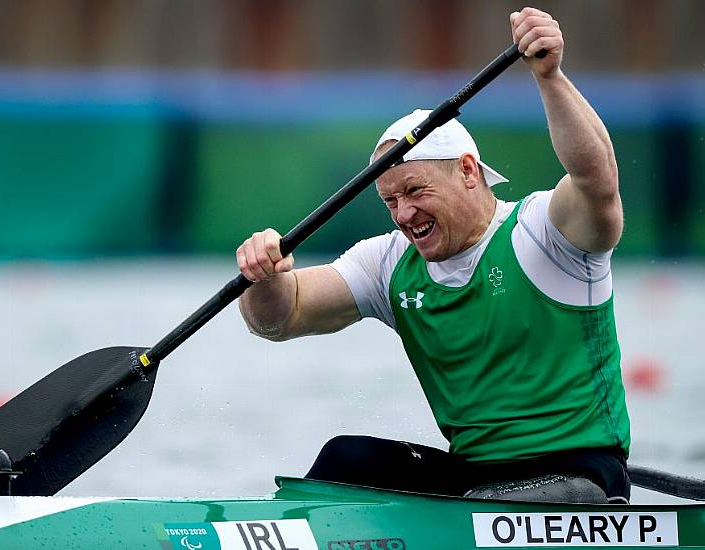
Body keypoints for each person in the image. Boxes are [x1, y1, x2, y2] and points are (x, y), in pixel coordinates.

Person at [236, 7, 630, 504]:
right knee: (346, 459)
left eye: (415, 191)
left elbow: (598, 182)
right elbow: (281, 317)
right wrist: (263, 277)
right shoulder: (388, 263)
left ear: (468, 171)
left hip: (581, 477)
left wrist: (549, 77)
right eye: (390, 201)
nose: (403, 213)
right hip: (478, 481)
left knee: (502, 499)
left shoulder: (547, 232)